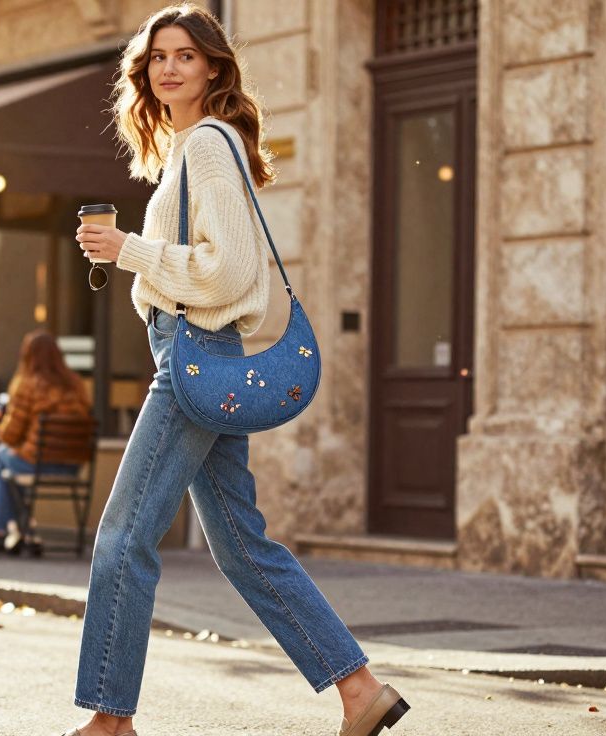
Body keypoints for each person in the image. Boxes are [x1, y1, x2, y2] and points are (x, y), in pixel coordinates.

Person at [66, 6, 409, 736]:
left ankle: (109, 720)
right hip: (196, 355)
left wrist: (128, 250)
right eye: (157, 57)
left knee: (124, 536)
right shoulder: (189, 147)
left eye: (186, 56)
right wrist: (130, 257)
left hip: (199, 357)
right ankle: (359, 690)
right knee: (242, 545)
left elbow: (229, 273)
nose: (168, 68)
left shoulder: (209, 148)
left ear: (214, 68)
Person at [0, 330, 93, 553]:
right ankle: (22, 530)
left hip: (37, 464)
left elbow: (9, 435)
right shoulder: (76, 384)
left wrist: (0, 425)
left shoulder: (27, 384)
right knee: (7, 471)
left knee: (0, 458)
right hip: (72, 465)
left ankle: (4, 530)